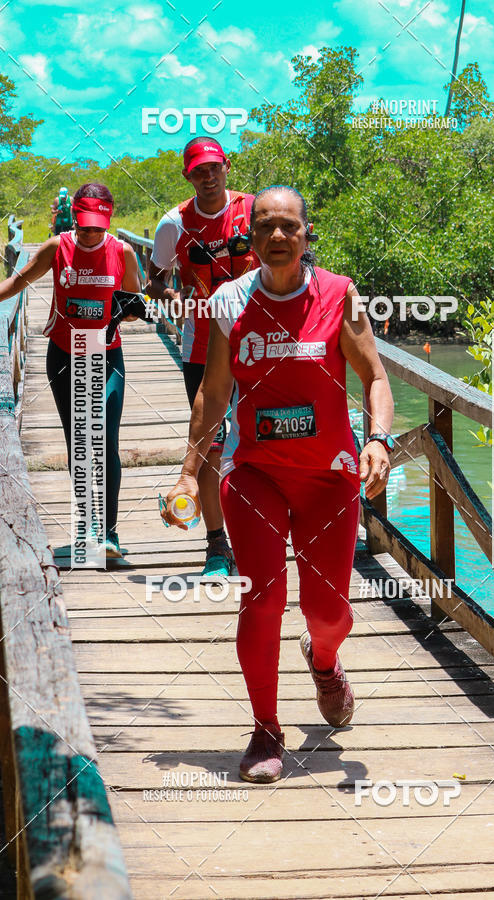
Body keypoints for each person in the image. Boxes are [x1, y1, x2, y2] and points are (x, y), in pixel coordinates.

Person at [162, 185, 394, 783]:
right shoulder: (229, 301)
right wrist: (188, 471)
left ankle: (325, 660)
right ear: (252, 236)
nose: (277, 235)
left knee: (329, 612)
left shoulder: (340, 295)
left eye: (288, 225)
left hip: (328, 478)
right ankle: (265, 728)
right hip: (254, 473)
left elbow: (375, 377)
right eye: (265, 225)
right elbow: (214, 391)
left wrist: (377, 440)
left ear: (306, 232)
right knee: (262, 599)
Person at [0, 182, 140, 558]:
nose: (89, 232)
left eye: (97, 226)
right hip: (64, 354)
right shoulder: (56, 247)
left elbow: (133, 305)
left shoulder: (123, 252)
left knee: (106, 438)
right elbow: (17, 282)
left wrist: (122, 310)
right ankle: (87, 523)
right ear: (74, 216)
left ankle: (108, 533)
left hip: (107, 355)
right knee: (78, 442)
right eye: (83, 225)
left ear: (108, 219)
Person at [146, 136, 258, 576]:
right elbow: (155, 279)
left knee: (260, 439)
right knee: (210, 443)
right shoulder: (173, 223)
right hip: (201, 347)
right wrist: (172, 297)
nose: (208, 177)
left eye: (214, 168)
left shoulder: (254, 210)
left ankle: (260, 535)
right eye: (199, 171)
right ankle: (216, 545)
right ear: (187, 176)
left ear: (227, 166)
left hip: (258, 344)